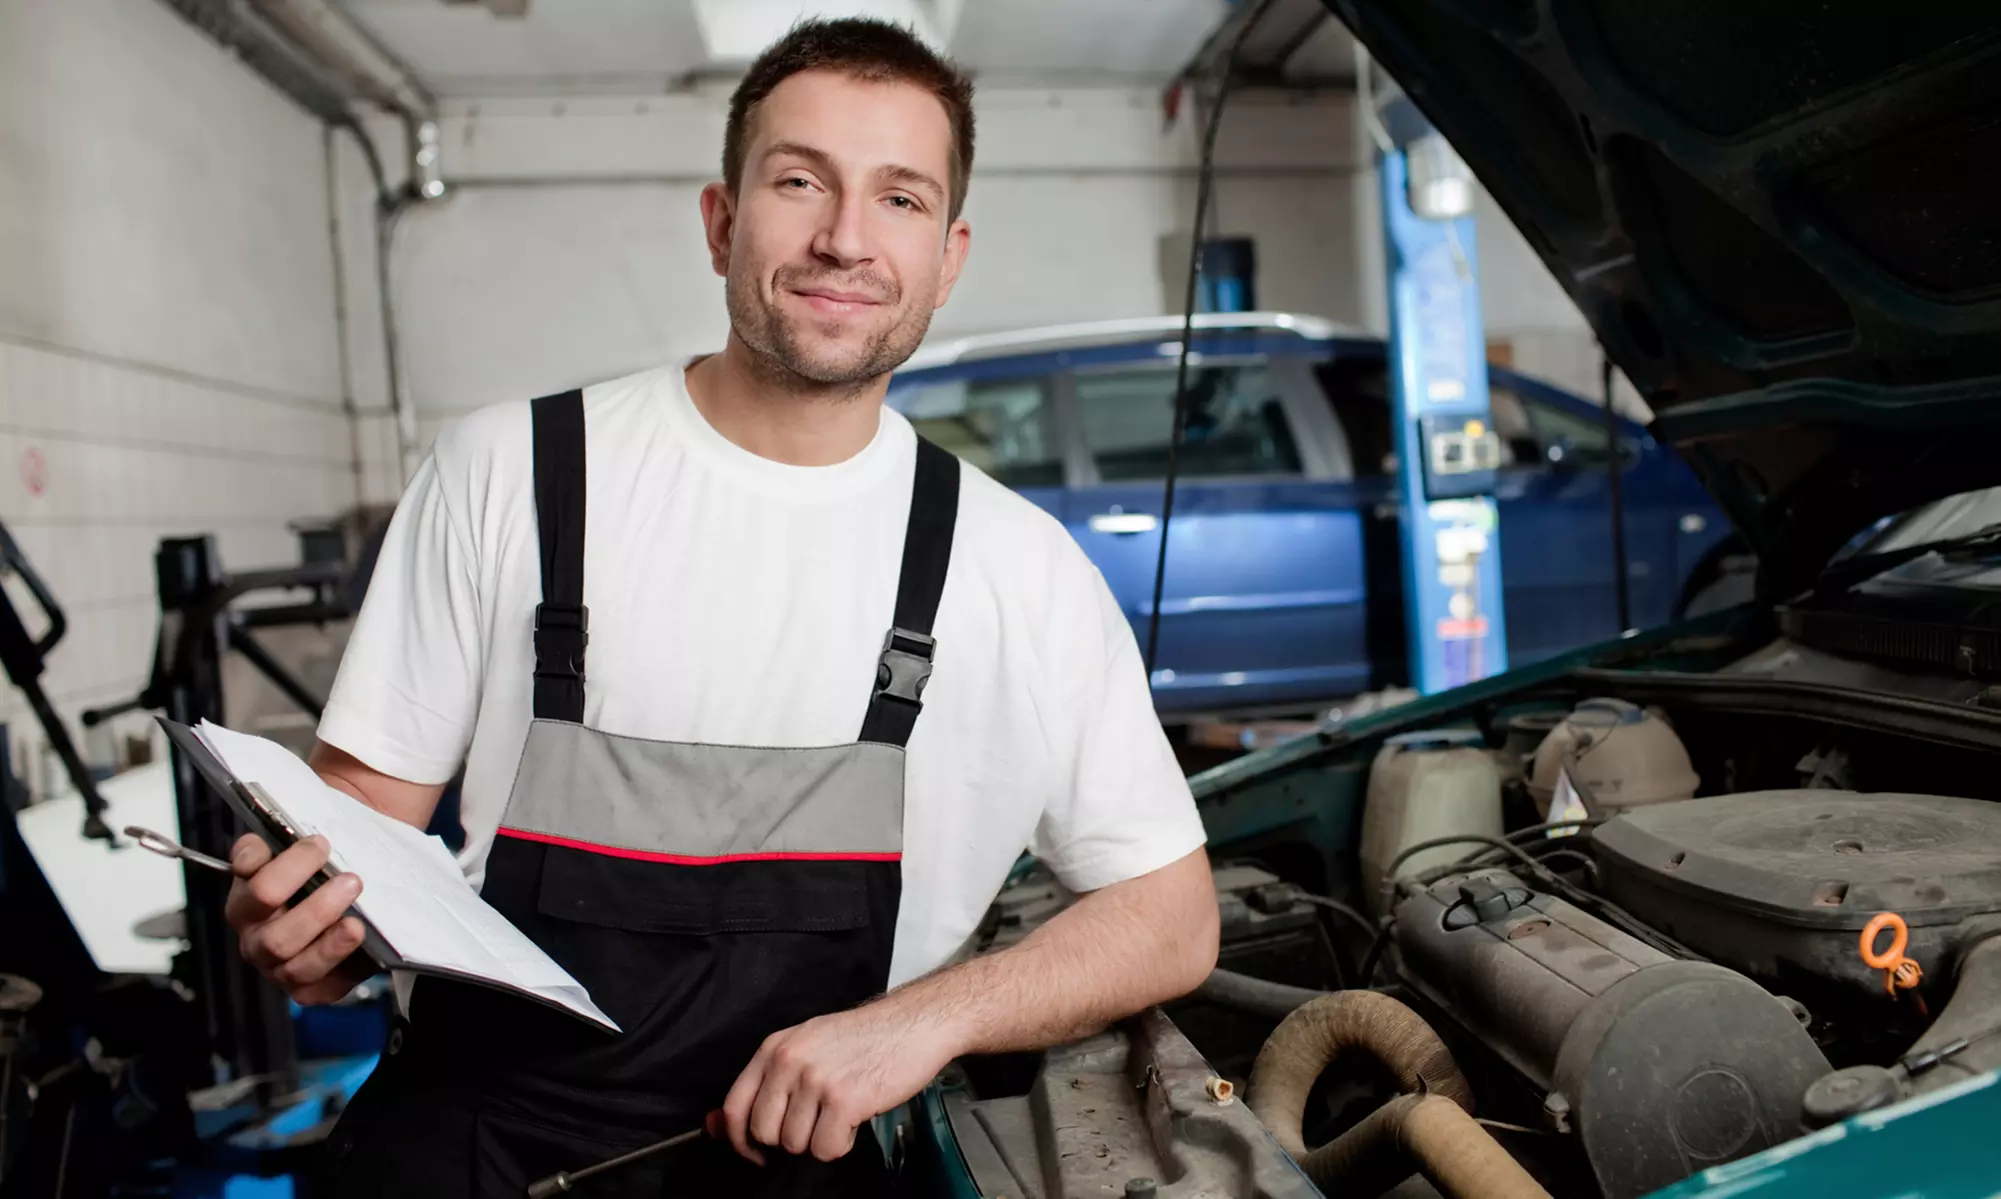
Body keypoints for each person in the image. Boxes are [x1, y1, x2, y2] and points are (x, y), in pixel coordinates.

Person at [222, 16, 1219, 1197]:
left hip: (802, 1167)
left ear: (950, 257)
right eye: (800, 180)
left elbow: (1170, 915)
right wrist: (309, 931)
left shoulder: (1020, 567)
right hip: (477, 1149)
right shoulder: (511, 472)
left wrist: (923, 1022)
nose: (845, 237)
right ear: (721, 221)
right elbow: (357, 840)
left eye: (899, 198)